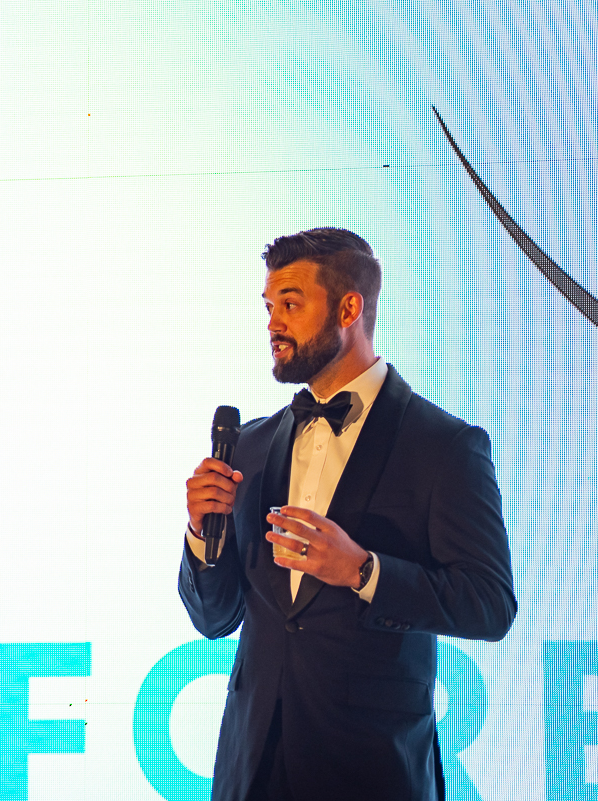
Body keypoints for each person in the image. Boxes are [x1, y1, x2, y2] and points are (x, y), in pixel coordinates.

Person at [180, 227, 516, 801]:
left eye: (291, 304)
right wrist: (200, 534)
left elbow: (489, 606)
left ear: (349, 309)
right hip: (252, 770)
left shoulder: (443, 446)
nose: (273, 323)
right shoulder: (251, 447)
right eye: (268, 307)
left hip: (372, 770)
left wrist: (363, 571)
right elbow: (215, 619)